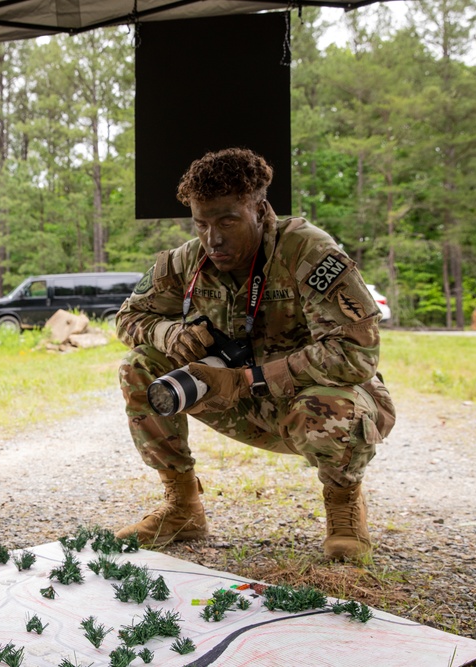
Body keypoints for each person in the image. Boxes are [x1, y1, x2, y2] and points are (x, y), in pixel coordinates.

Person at [114, 147, 395, 560]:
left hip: (307, 400)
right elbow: (129, 316)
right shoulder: (189, 259)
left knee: (329, 407)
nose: (214, 238)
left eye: (228, 219)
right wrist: (168, 332)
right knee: (139, 365)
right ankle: (183, 507)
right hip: (237, 398)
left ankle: (344, 507)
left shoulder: (308, 252)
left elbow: (356, 354)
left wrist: (251, 378)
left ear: (260, 210)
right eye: (202, 223)